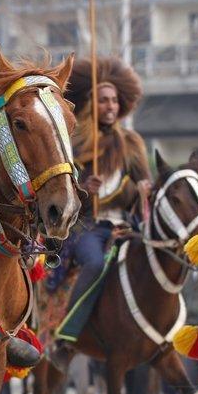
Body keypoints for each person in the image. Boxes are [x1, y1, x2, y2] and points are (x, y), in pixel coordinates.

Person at [45, 56, 151, 345]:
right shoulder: (73, 142)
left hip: (126, 226)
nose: (110, 107)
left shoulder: (132, 143)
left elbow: (144, 183)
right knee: (94, 263)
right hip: (87, 228)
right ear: (92, 103)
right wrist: (82, 188)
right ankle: (69, 330)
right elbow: (58, 191)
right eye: (103, 100)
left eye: (114, 101)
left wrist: (146, 190)